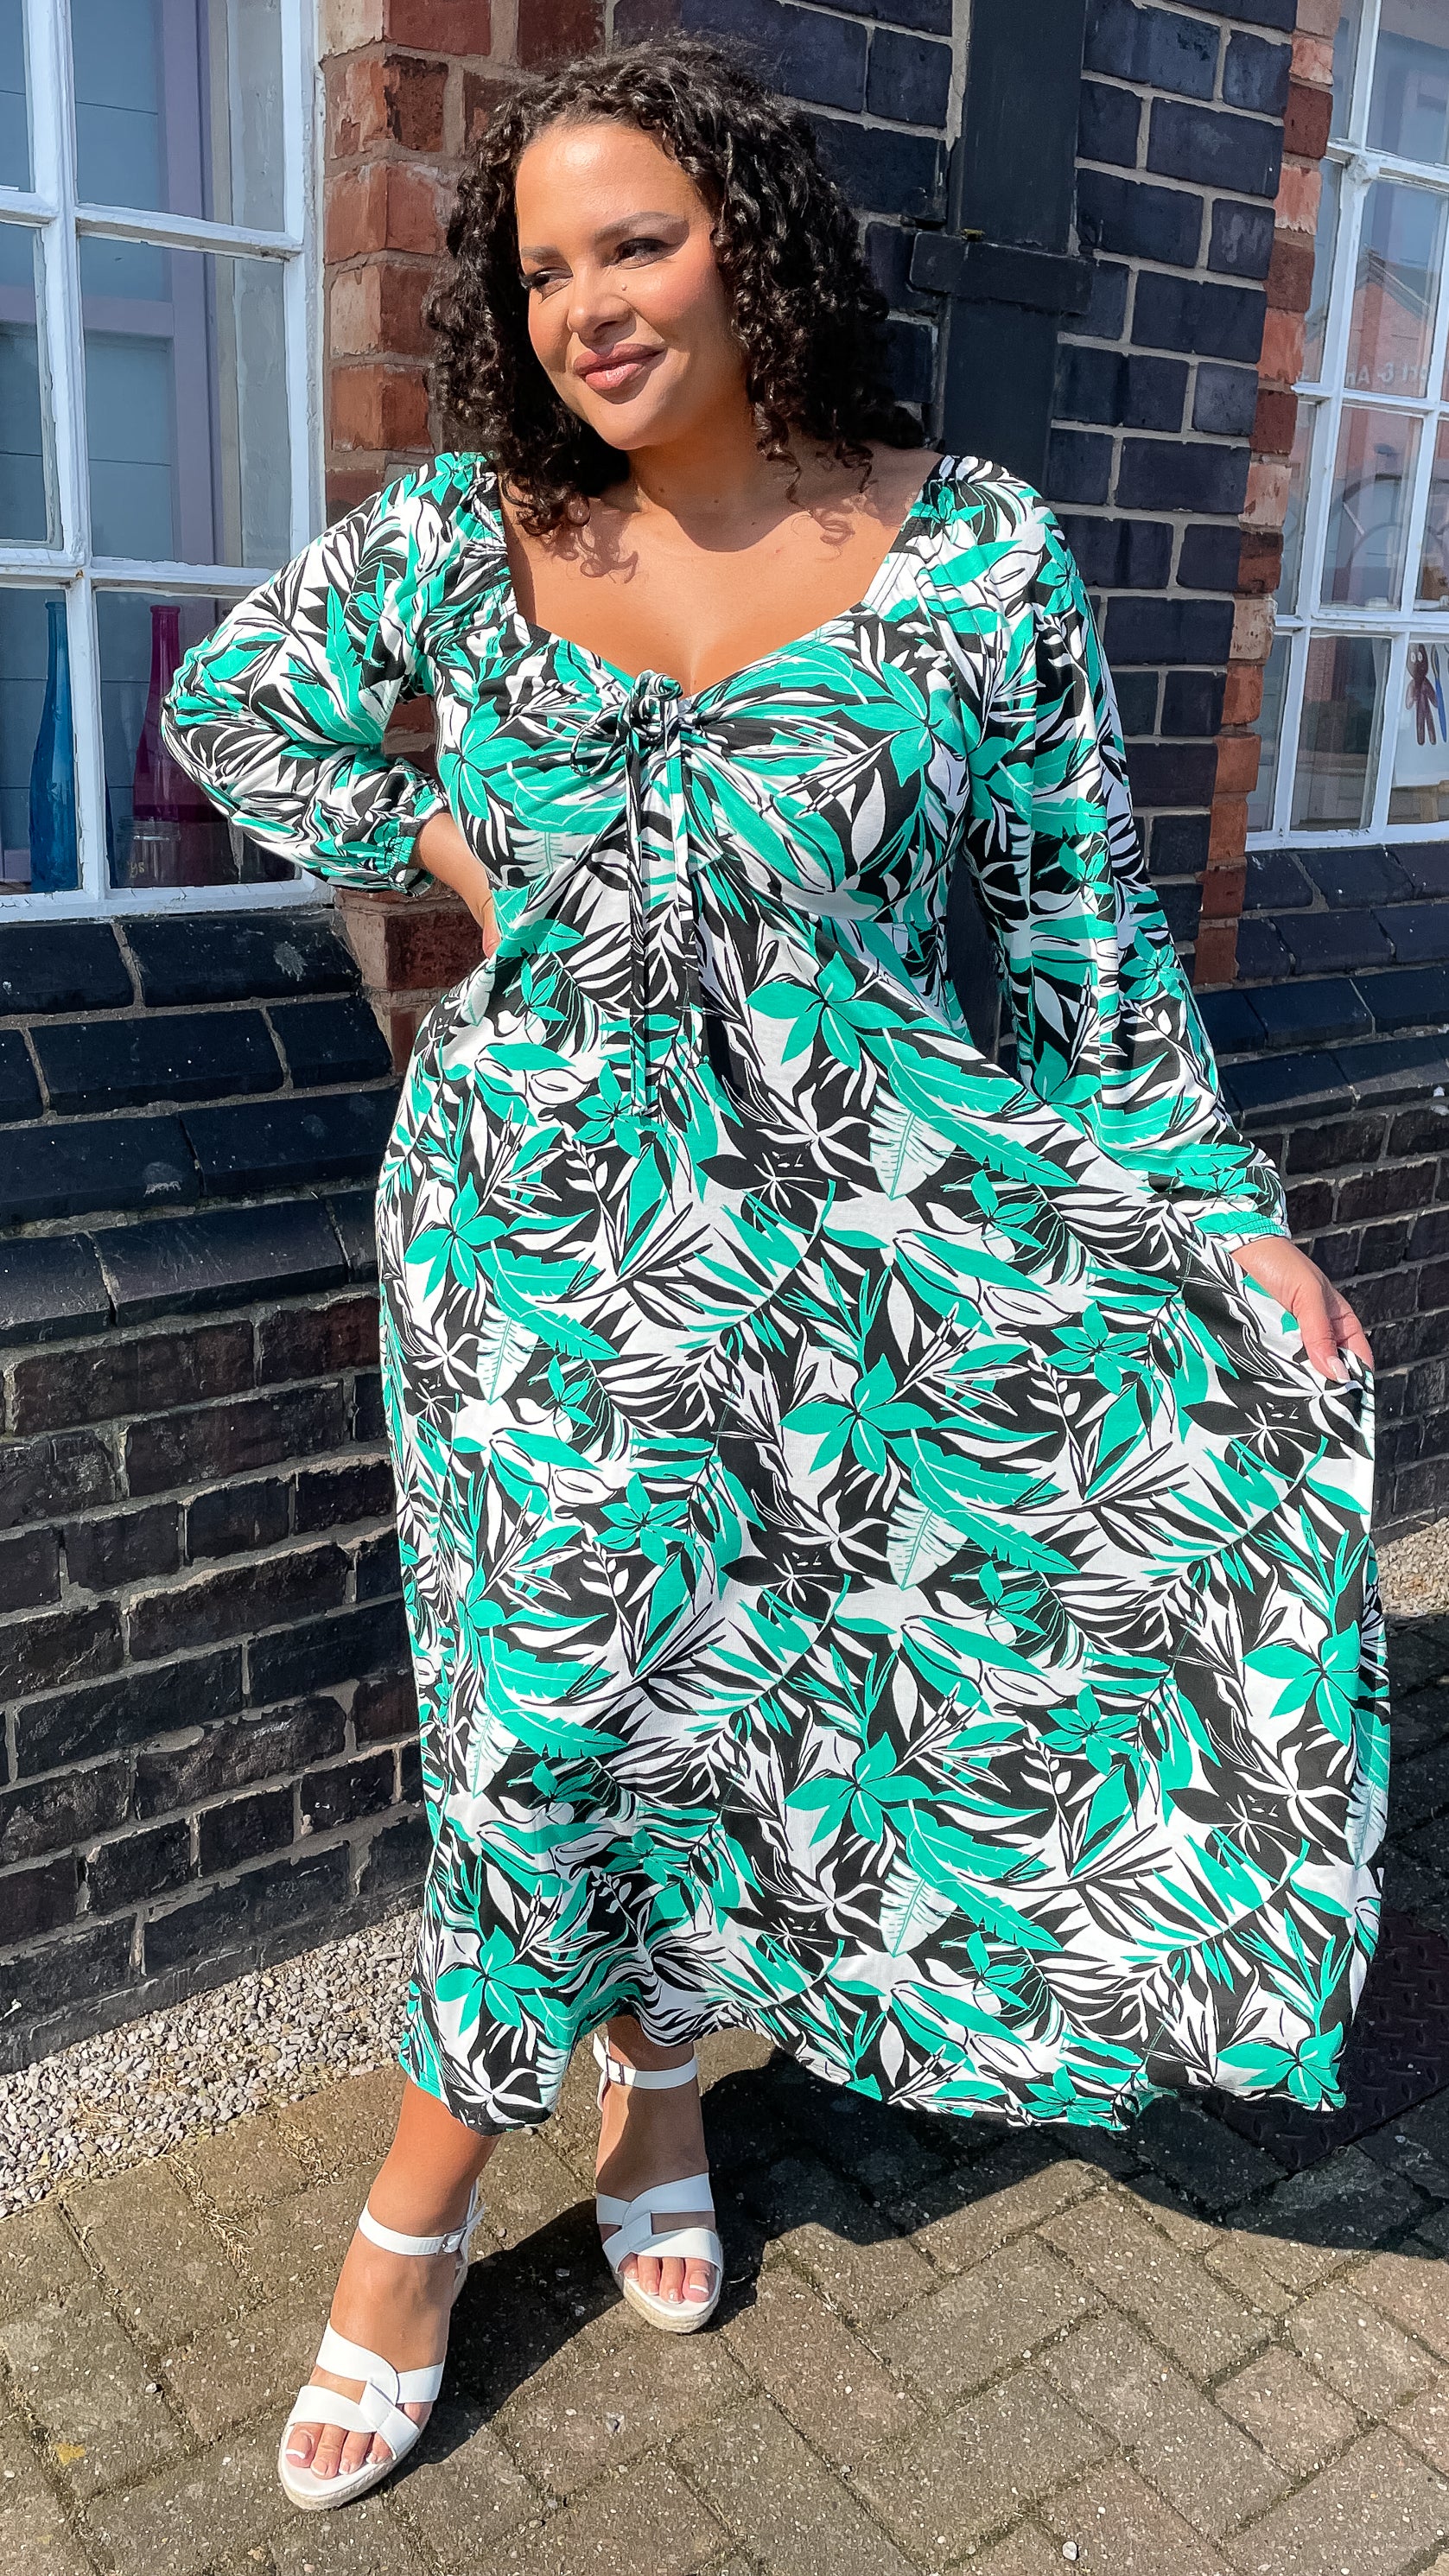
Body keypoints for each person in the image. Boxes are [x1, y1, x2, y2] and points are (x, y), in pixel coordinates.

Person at [162, 34, 1384, 2515]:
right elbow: (234, 711)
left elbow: (1082, 934)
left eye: (640, 242)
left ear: (755, 243)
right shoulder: (470, 533)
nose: (590, 308)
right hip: (525, 1233)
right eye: (545, 271)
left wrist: (1229, 1211)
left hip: (845, 1241)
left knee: (739, 1699)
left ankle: (654, 2100)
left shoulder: (977, 555)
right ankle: (414, 2221)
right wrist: (459, 863)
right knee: (546, 1723)